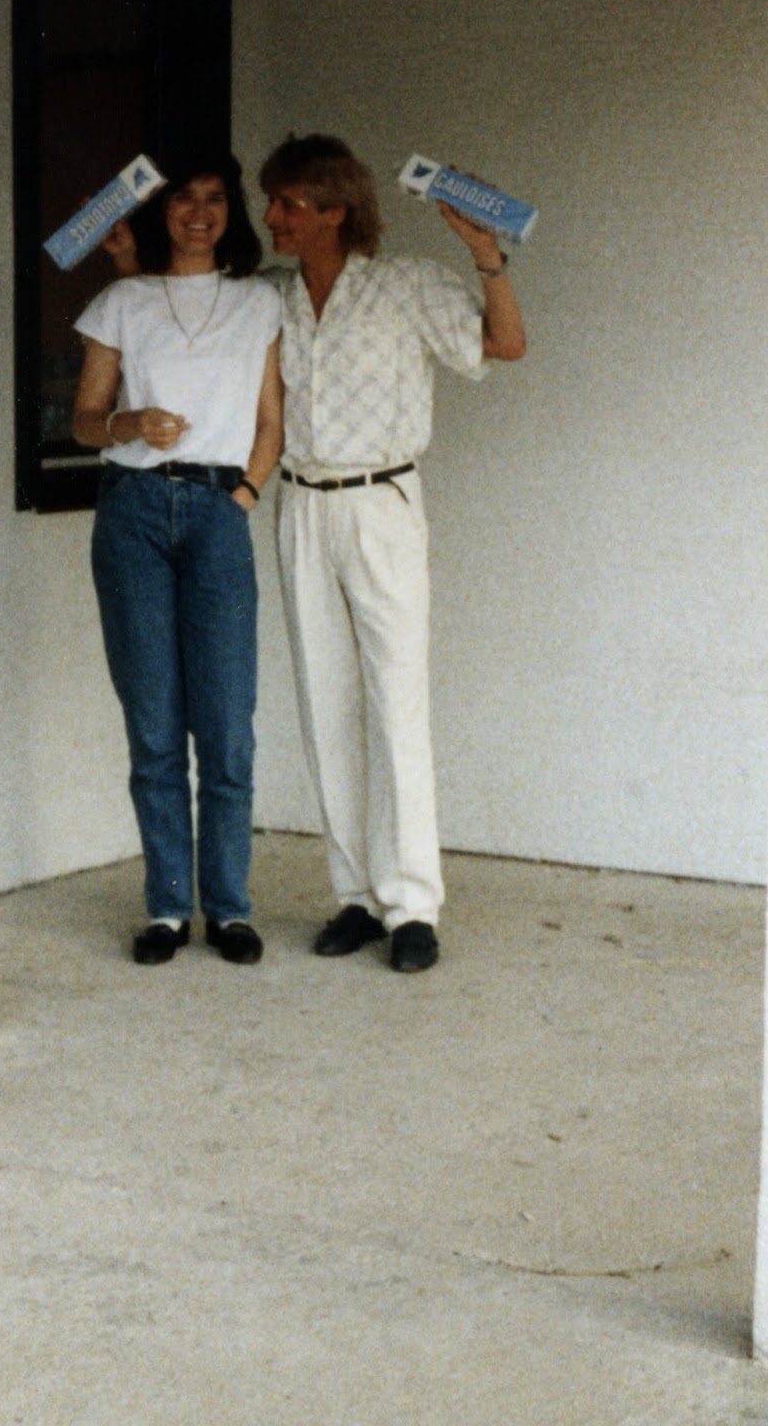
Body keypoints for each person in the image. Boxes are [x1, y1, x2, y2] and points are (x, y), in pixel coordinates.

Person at [259, 133, 526, 973]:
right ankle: (355, 897)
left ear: (335, 211)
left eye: (288, 204)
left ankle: (412, 905)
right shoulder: (268, 296)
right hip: (301, 504)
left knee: (394, 699)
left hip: (381, 502)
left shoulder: (406, 284)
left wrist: (486, 257)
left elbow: (503, 344)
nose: (271, 217)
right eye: (272, 202)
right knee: (324, 701)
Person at [72, 153, 283, 966]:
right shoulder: (123, 301)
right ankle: (167, 907)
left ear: (231, 210)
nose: (199, 212)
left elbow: (271, 420)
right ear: (160, 212)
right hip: (132, 512)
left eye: (215, 198)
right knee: (154, 725)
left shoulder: (257, 301)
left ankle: (228, 908)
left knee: (226, 726)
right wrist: (128, 425)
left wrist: (243, 497)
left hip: (217, 511)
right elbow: (84, 419)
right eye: (184, 199)